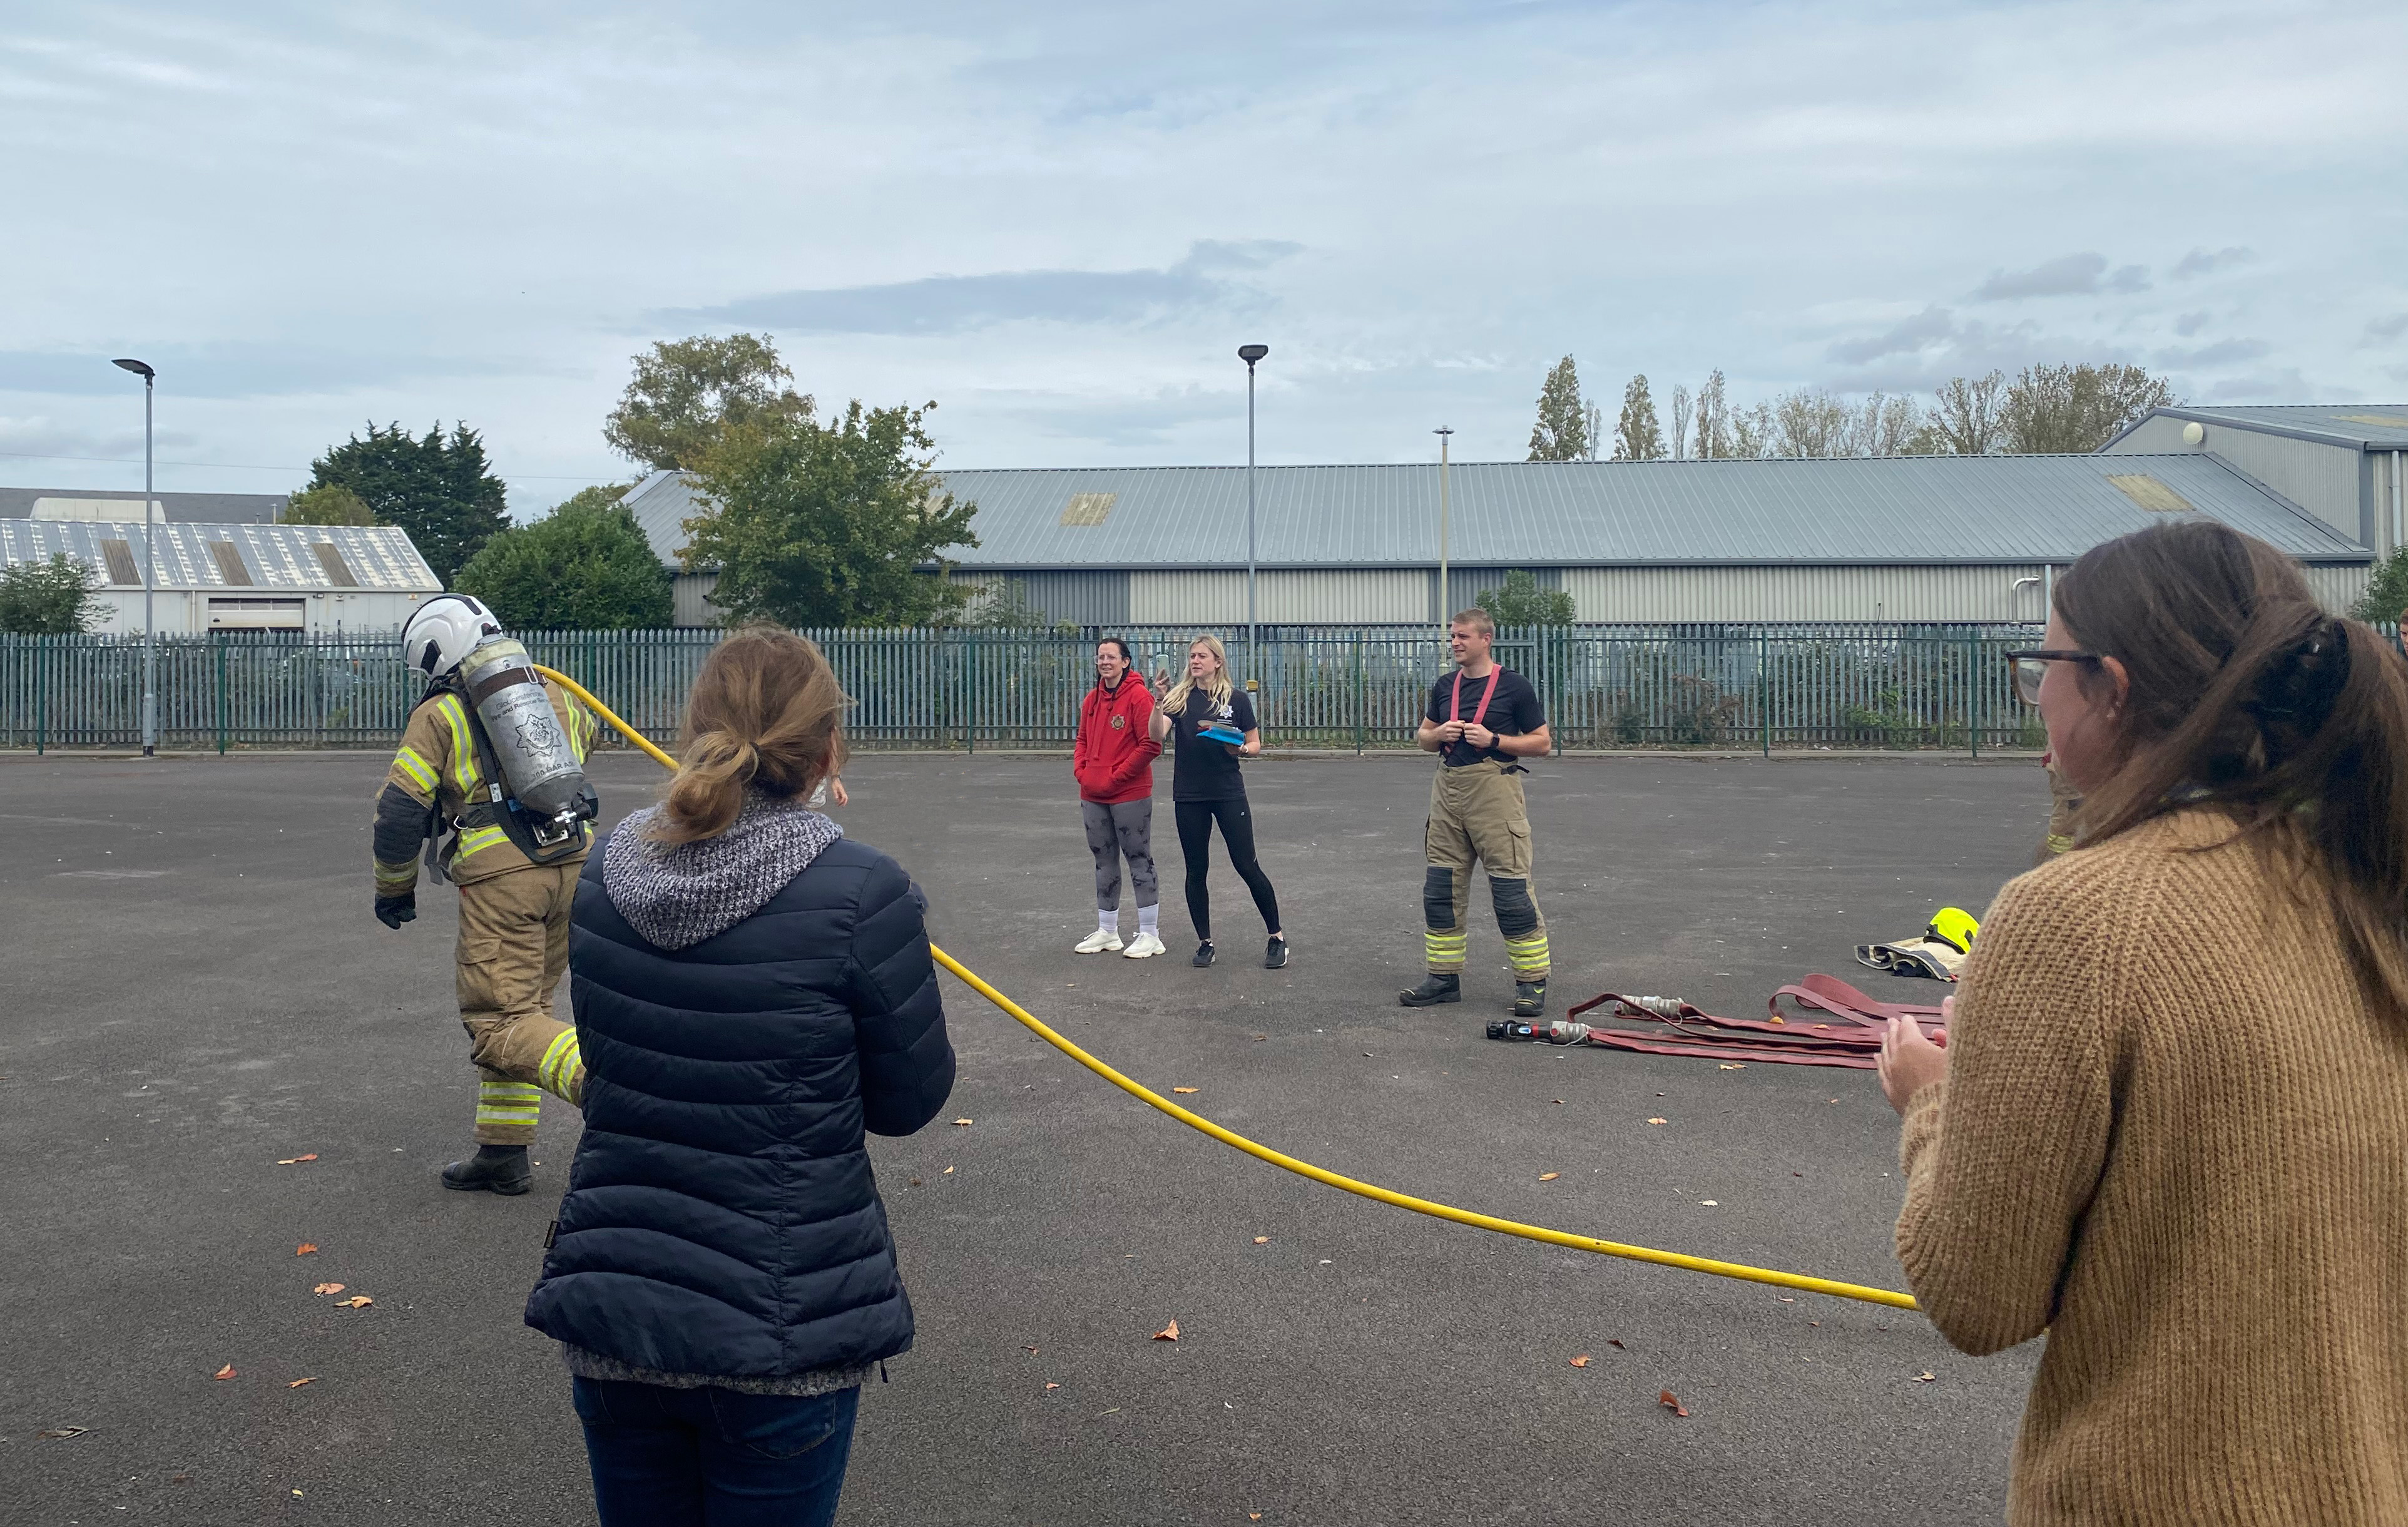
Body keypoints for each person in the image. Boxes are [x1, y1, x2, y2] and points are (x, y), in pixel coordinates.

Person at [1877, 519, 2408, 1524]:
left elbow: (1978, 1295)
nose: (2035, 691)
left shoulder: (2077, 917)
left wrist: (1932, 1104)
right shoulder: (2369, 889)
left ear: (2111, 688)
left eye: (2044, 662)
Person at [524, 626, 955, 1527]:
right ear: (828, 750)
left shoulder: (608, 869)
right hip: (780, 1327)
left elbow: (617, 1065)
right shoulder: (862, 892)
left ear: (697, 731)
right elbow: (908, 1102)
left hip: (620, 1309)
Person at [372, 593, 599, 1195]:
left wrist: (393, 888)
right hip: (575, 864)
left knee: (501, 1021)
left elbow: (400, 811)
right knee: (528, 1007)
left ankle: (616, 1088)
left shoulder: (441, 714)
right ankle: (503, 1153)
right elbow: (586, 746)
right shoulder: (556, 694)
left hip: (504, 879)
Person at [1399, 608, 1553, 1017]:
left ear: (1487, 638)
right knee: (1440, 891)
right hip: (1447, 792)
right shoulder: (1445, 686)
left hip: (1495, 794)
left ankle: (1532, 982)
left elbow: (1542, 744)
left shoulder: (1514, 687)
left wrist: (1495, 738)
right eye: (1453, 636)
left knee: (1510, 892)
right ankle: (1443, 979)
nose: (1455, 643)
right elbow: (1422, 738)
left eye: (1463, 636)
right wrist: (1437, 735)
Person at [1148, 634, 1287, 969]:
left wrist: (1238, 749)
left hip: (1228, 793)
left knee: (1247, 865)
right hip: (1190, 796)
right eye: (1192, 656)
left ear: (1218, 662)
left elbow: (1254, 744)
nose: (1195, 661)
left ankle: (1277, 938)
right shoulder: (1179, 699)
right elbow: (1155, 736)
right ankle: (1205, 943)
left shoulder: (1237, 700)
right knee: (1196, 870)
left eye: (1202, 656)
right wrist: (1158, 702)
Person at [1071, 636, 1166, 958]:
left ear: (1126, 662)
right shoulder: (1091, 700)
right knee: (1103, 861)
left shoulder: (1139, 697)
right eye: (1101, 657)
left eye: (1111, 657)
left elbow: (1151, 745)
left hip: (1130, 794)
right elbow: (1082, 740)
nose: (1105, 662)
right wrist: (1082, 772)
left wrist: (1117, 777)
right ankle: (1108, 931)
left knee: (1139, 859)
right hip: (1093, 794)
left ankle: (1150, 934)